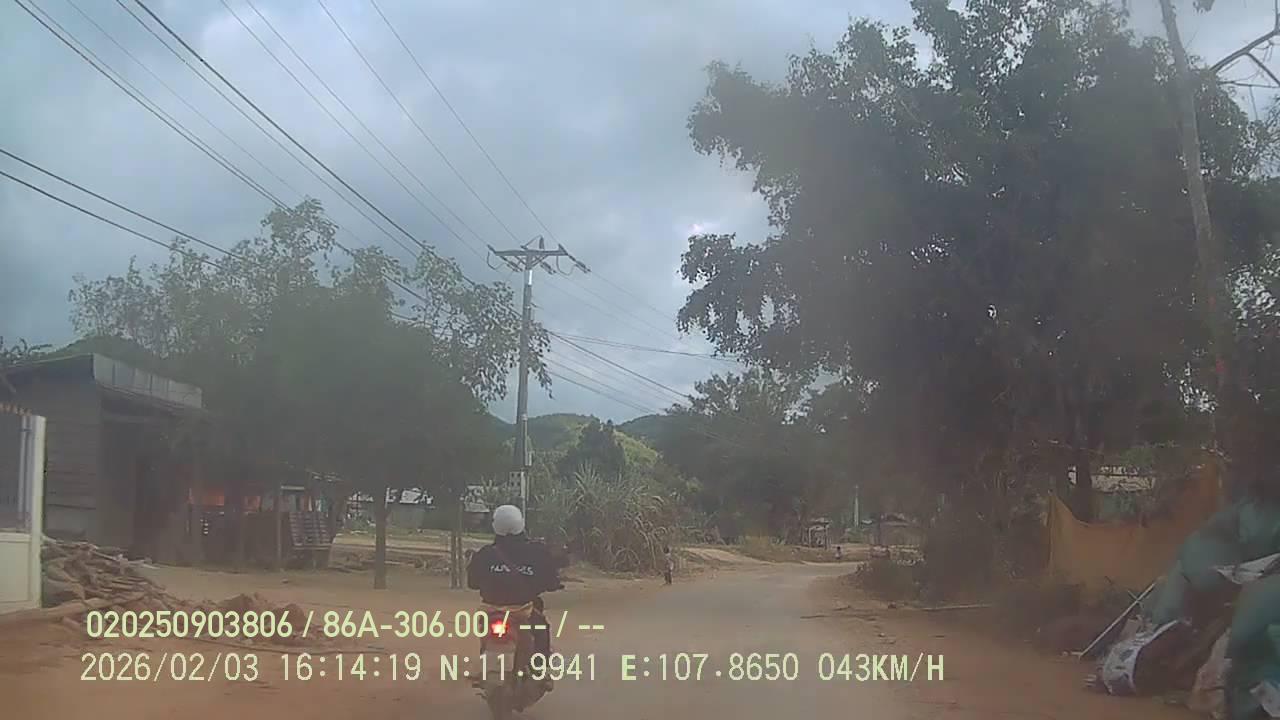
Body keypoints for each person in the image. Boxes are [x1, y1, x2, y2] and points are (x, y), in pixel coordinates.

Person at [467, 505, 559, 661]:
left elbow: (472, 583)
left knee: (483, 626)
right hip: (522, 611)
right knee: (541, 628)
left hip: (491, 611)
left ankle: (485, 655)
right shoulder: (537, 552)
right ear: (521, 523)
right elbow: (551, 580)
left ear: (495, 525)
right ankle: (540, 666)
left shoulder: (485, 554)